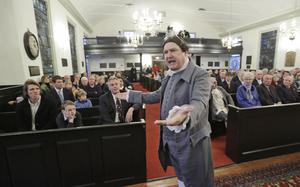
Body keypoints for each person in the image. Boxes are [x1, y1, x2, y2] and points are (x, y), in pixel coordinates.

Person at [116, 36, 214, 186]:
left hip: (191, 141)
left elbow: (199, 102)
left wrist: (186, 116)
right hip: (171, 139)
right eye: (165, 52)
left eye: (173, 50)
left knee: (196, 181)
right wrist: (131, 95)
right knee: (182, 178)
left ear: (185, 52)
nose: (168, 55)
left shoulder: (200, 74)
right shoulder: (170, 74)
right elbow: (157, 95)